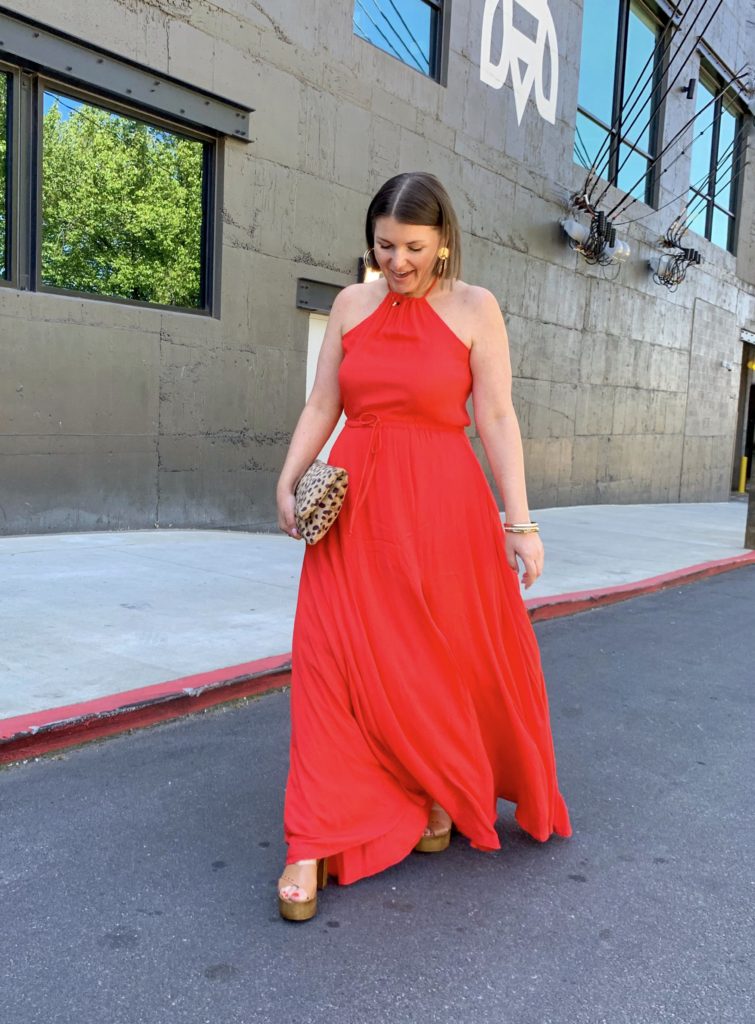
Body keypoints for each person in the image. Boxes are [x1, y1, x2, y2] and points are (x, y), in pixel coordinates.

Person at [275, 171, 571, 922]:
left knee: (431, 663)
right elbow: (323, 403)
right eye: (383, 246)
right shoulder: (349, 303)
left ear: (443, 242)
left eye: (412, 247)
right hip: (354, 507)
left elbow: (497, 418)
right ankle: (308, 841)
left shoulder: (476, 309)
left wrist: (520, 522)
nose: (396, 261)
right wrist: (288, 479)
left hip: (442, 511)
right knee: (327, 664)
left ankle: (433, 793)